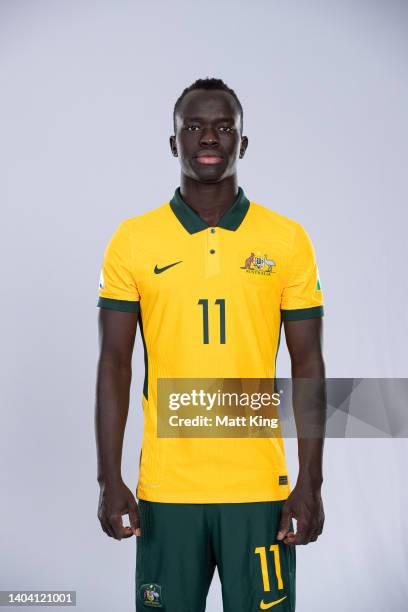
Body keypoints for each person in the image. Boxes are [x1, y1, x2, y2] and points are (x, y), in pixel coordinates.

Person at [95, 77, 326, 612]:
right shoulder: (134, 239)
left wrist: (310, 483)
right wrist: (110, 480)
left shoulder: (286, 239)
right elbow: (114, 364)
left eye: (224, 128)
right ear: (173, 141)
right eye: (193, 126)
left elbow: (308, 362)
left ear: (242, 144)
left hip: (259, 490)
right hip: (168, 489)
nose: (208, 138)